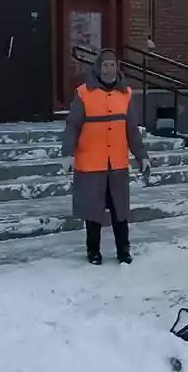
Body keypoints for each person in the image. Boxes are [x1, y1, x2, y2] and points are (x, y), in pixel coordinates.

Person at [62, 49, 151, 265]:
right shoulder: (84, 93)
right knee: (93, 212)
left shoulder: (126, 94)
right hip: (91, 162)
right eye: (104, 65)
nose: (108, 68)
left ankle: (123, 250)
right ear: (98, 68)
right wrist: (67, 152)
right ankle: (93, 251)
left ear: (117, 67)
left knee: (120, 211)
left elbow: (131, 130)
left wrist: (142, 156)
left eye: (112, 64)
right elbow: (73, 125)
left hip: (117, 163)